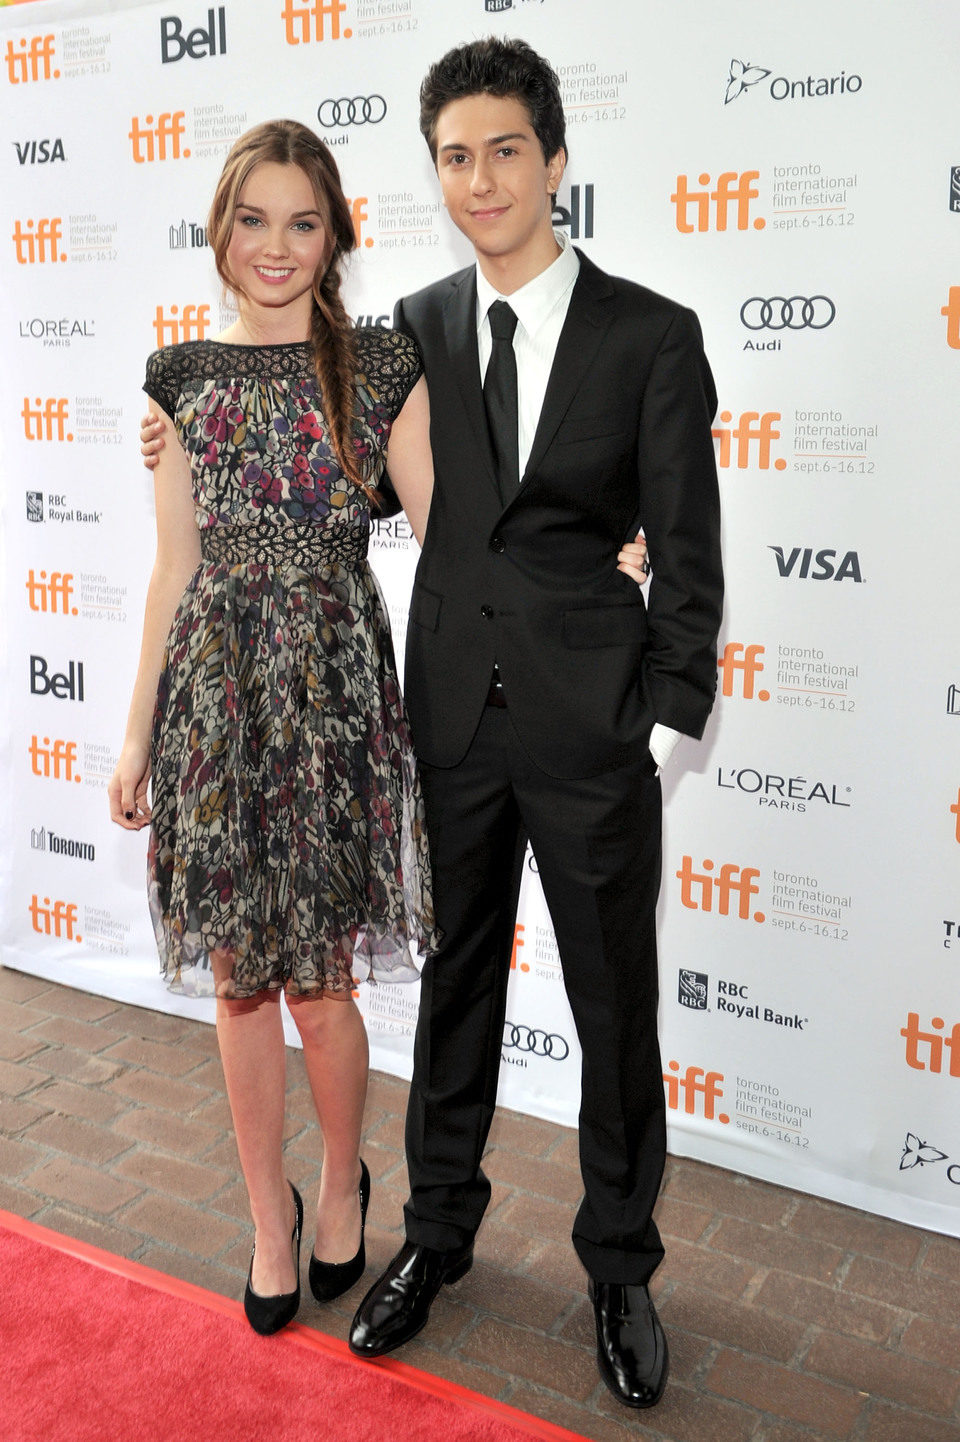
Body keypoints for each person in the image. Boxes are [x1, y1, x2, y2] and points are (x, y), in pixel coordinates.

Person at [344, 38, 722, 1412]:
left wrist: (666, 727)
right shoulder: (418, 320)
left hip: (594, 729)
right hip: (450, 717)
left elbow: (688, 545)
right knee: (455, 990)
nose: (480, 179)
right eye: (455, 155)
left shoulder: (650, 335)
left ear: (556, 159)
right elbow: (372, 492)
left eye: (507, 149)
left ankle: (618, 1265)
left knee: (615, 1005)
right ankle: (436, 1235)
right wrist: (201, 443)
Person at [108, 119, 439, 1336]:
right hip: (217, 702)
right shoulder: (181, 380)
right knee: (241, 980)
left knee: (326, 983)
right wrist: (137, 734)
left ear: (336, 232)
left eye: (304, 220)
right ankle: (267, 1210)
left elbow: (451, 529)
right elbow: (170, 569)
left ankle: (345, 1176)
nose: (277, 245)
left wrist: (601, 544)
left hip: (336, 701)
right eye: (255, 219)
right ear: (221, 229)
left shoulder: (383, 365)